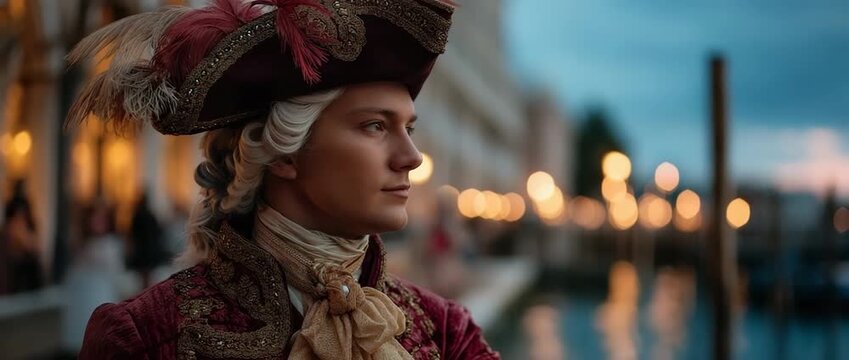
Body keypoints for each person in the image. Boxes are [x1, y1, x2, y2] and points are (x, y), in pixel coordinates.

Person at [68, 0, 499, 358]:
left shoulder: (448, 334)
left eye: (409, 129)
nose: (411, 158)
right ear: (285, 153)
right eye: (375, 126)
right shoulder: (145, 338)